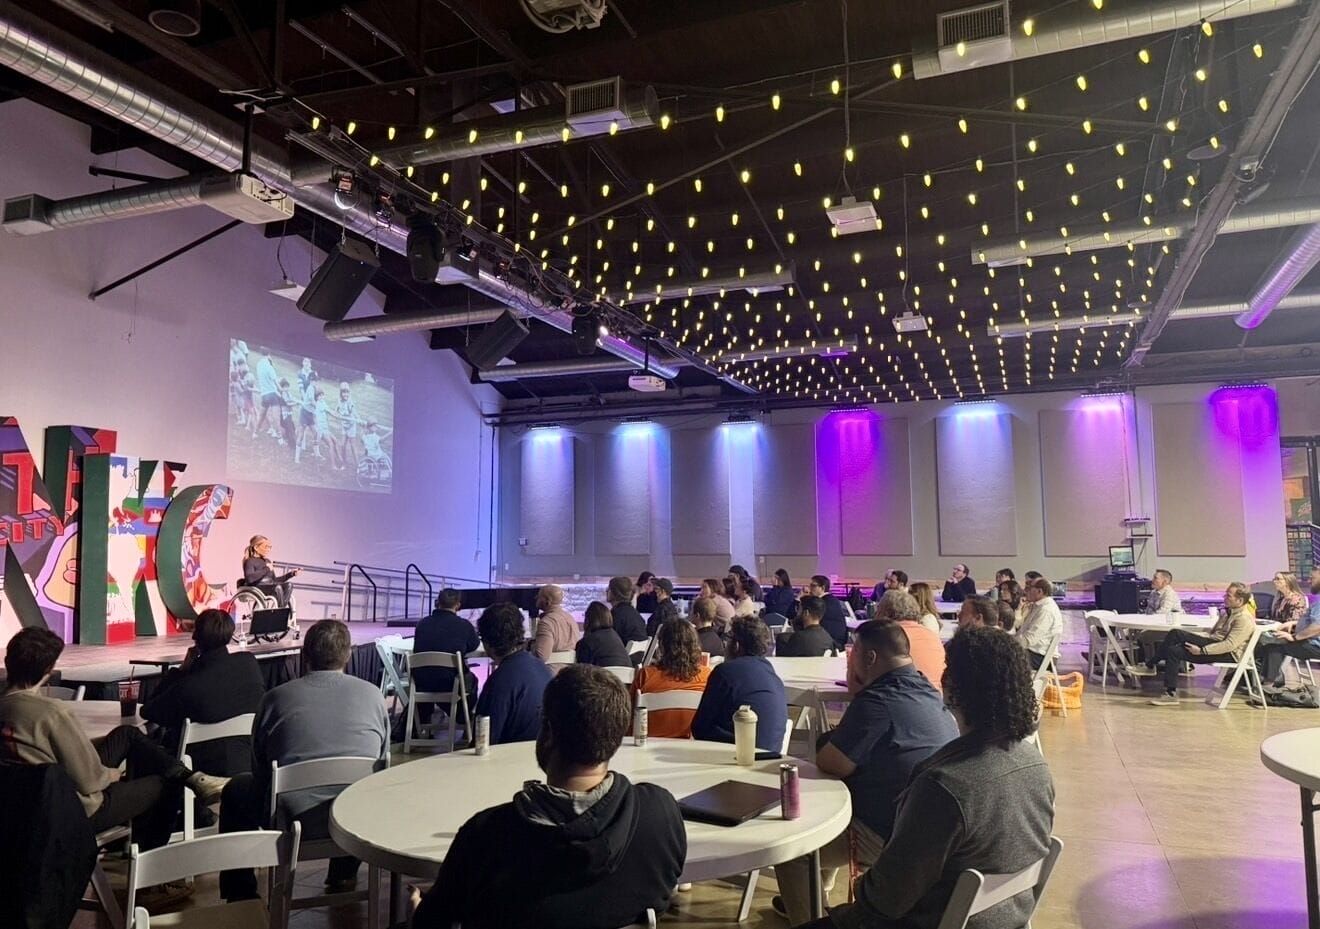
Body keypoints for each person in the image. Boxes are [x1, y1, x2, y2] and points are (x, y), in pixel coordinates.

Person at [797, 627, 1054, 929]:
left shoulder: (944, 785)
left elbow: (885, 901)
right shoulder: (1036, 765)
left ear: (951, 686)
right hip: (1005, 919)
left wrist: (864, 887)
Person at [412, 665, 686, 929]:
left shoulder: (487, 836)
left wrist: (417, 913)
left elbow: (434, 920)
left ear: (548, 734)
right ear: (616, 735)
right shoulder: (661, 815)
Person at [773, 620, 958, 925]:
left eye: (853, 654)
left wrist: (855, 684)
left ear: (869, 658)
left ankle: (811, 919)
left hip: (886, 832)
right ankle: (818, 898)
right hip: (927, 829)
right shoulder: (928, 691)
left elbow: (831, 762)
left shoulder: (877, 703)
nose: (850, 660)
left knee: (795, 849)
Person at [1, 628, 229, 855]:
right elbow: (89, 782)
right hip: (70, 809)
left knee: (126, 734)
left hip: (16, 807)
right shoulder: (51, 713)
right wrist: (109, 775)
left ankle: (192, 778)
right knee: (167, 785)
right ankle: (150, 871)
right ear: (48, 670)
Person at [218, 619, 389, 901]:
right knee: (360, 787)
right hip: (354, 819)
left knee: (237, 790)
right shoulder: (373, 696)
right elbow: (381, 764)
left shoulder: (275, 699)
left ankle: (241, 897)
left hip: (291, 818)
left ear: (304, 655)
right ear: (349, 655)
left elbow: (260, 768)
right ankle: (343, 873)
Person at [140, 608, 265, 775]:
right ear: (229, 634)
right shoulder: (248, 664)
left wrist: (181, 671)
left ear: (195, 638)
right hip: (247, 762)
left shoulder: (188, 686)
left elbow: (148, 711)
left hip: (200, 769)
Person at [691, 615, 787, 752]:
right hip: (769, 760)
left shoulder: (725, 673)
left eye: (728, 640)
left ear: (736, 645)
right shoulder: (773, 676)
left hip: (731, 759)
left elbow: (699, 728)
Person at [1148, 585, 1256, 706]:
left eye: (1228, 595)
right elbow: (1212, 634)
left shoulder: (1244, 619)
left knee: (1176, 633)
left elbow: (1229, 645)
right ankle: (1170, 692)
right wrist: (1193, 637)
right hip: (1214, 643)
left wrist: (1202, 650)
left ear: (1240, 600)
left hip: (1228, 653)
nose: (1224, 597)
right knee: (1174, 650)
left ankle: (1151, 665)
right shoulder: (1227, 612)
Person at [475, 603, 554, 743]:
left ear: (487, 642)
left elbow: (483, 741)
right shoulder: (542, 668)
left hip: (509, 759)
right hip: (544, 755)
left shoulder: (498, 682)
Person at [632, 619, 711, 738]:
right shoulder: (707, 676)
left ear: (663, 646)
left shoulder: (646, 675)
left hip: (648, 748)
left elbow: (628, 717)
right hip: (692, 749)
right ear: (695, 645)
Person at [412, 588, 481, 711]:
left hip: (422, 684)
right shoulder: (464, 625)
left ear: (438, 602)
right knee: (472, 681)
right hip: (450, 684)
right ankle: (464, 717)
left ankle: (424, 719)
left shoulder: (422, 623)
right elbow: (474, 645)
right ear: (458, 605)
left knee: (432, 674)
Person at [1258, 567, 1320, 686]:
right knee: (1269, 644)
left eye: (1312, 578)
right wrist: (1293, 624)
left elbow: (1318, 627)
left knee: (1273, 647)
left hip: (1314, 644)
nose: (1309, 581)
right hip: (1308, 639)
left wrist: (1294, 637)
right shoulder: (1280, 599)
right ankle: (1265, 681)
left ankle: (1268, 686)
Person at [875, 590, 946, 692]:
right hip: (935, 702)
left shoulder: (883, 637)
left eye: (878, 610)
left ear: (884, 613)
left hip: (896, 702)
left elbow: (858, 683)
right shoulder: (933, 637)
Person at [241, 534, 297, 609]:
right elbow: (250, 579)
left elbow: (274, 580)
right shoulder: (250, 561)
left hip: (270, 586)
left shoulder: (267, 561)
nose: (268, 550)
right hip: (257, 587)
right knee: (277, 588)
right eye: (266, 547)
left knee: (289, 585)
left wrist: (291, 574)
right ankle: (280, 612)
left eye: (270, 547)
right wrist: (267, 569)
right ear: (256, 547)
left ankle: (281, 610)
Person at [1019, 577, 1063, 670]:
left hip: (1041, 657)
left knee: (1003, 658)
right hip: (1033, 652)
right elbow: (1022, 629)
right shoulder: (1037, 606)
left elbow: (1029, 640)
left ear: (1039, 591)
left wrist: (1008, 645)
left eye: (1029, 588)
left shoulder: (1046, 610)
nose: (1025, 591)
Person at [531, 584, 581, 661]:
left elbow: (541, 656)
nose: (536, 598)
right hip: (571, 669)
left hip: (550, 670)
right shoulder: (570, 618)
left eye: (539, 596)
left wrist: (531, 646)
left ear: (548, 601)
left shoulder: (546, 623)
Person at [576, 602, 633, 668]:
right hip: (626, 676)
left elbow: (581, 672)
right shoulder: (614, 635)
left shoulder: (586, 642)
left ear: (588, 620)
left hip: (602, 676)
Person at [807, 575, 848, 649]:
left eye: (813, 586)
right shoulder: (832, 600)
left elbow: (806, 621)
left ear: (822, 588)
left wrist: (799, 598)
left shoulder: (821, 603)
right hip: (835, 642)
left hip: (829, 643)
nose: (809, 588)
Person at [606, 576, 648, 644]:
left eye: (609, 588)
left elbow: (609, 642)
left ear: (615, 593)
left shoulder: (616, 615)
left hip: (622, 653)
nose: (606, 590)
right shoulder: (635, 614)